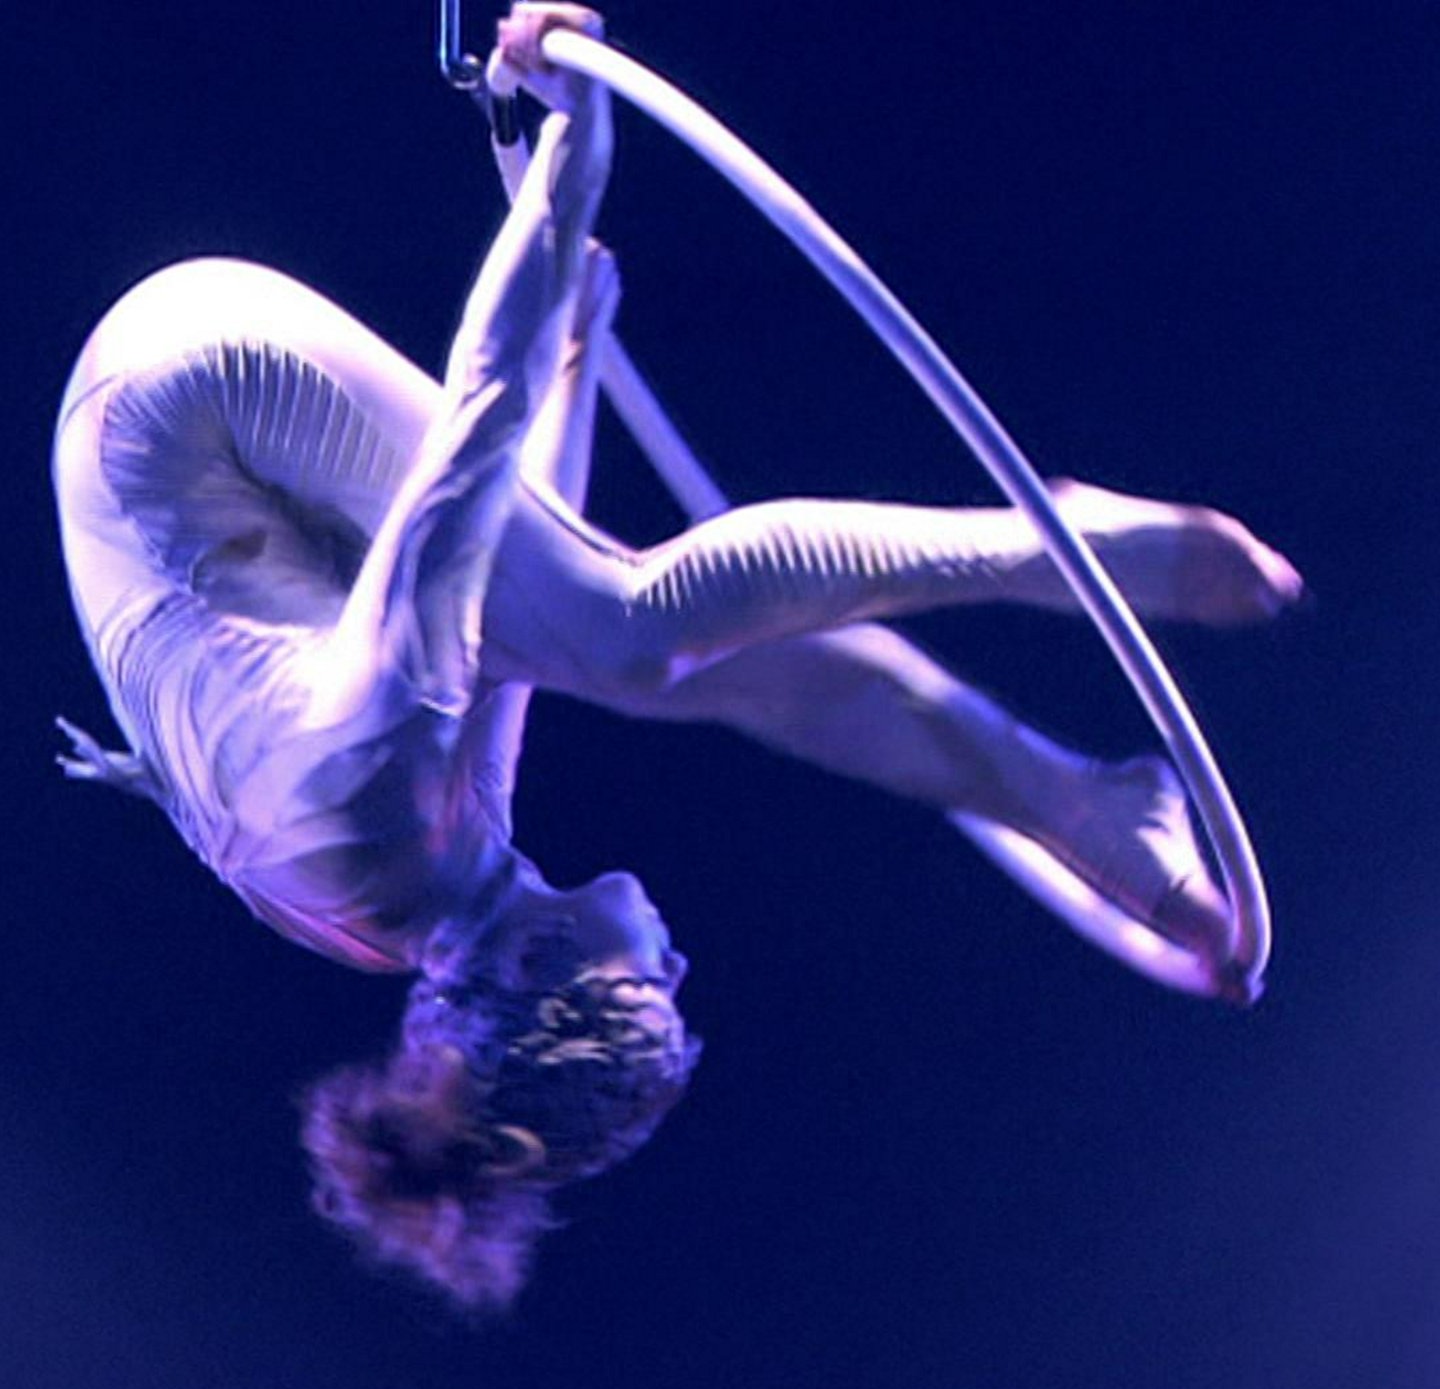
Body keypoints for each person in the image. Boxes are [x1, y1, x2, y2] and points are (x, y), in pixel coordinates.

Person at [50, 4, 1303, 1310]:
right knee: (645, 655)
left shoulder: (378, 800)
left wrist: (570, 159)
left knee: (638, 639)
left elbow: (470, 459)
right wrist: (575, 357)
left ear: (543, 976)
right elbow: (510, 616)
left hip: (180, 393)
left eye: (649, 989)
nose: (682, 967)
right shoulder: (422, 899)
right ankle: (1075, 796)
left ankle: (1048, 547)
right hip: (216, 498)